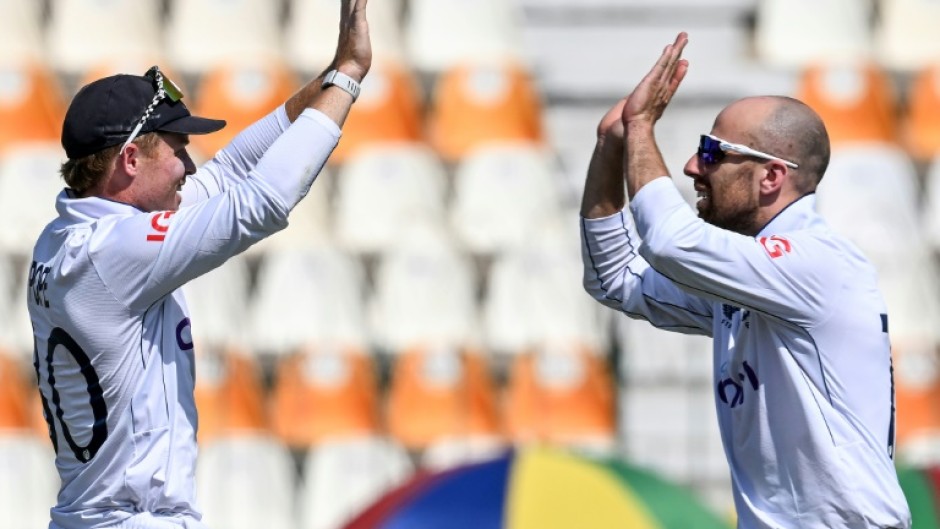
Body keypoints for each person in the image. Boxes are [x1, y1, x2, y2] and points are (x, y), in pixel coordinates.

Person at [25, 1, 371, 527]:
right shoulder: (114, 251)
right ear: (130, 160)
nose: (190, 165)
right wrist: (348, 79)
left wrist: (328, 75)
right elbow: (258, 201)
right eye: (178, 148)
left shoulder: (69, 236)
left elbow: (232, 168)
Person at [580, 33, 911, 529]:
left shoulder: (816, 263)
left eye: (713, 152)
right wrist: (611, 147)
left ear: (772, 177)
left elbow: (670, 241)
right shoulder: (752, 273)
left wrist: (642, 125)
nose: (693, 166)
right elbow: (619, 279)